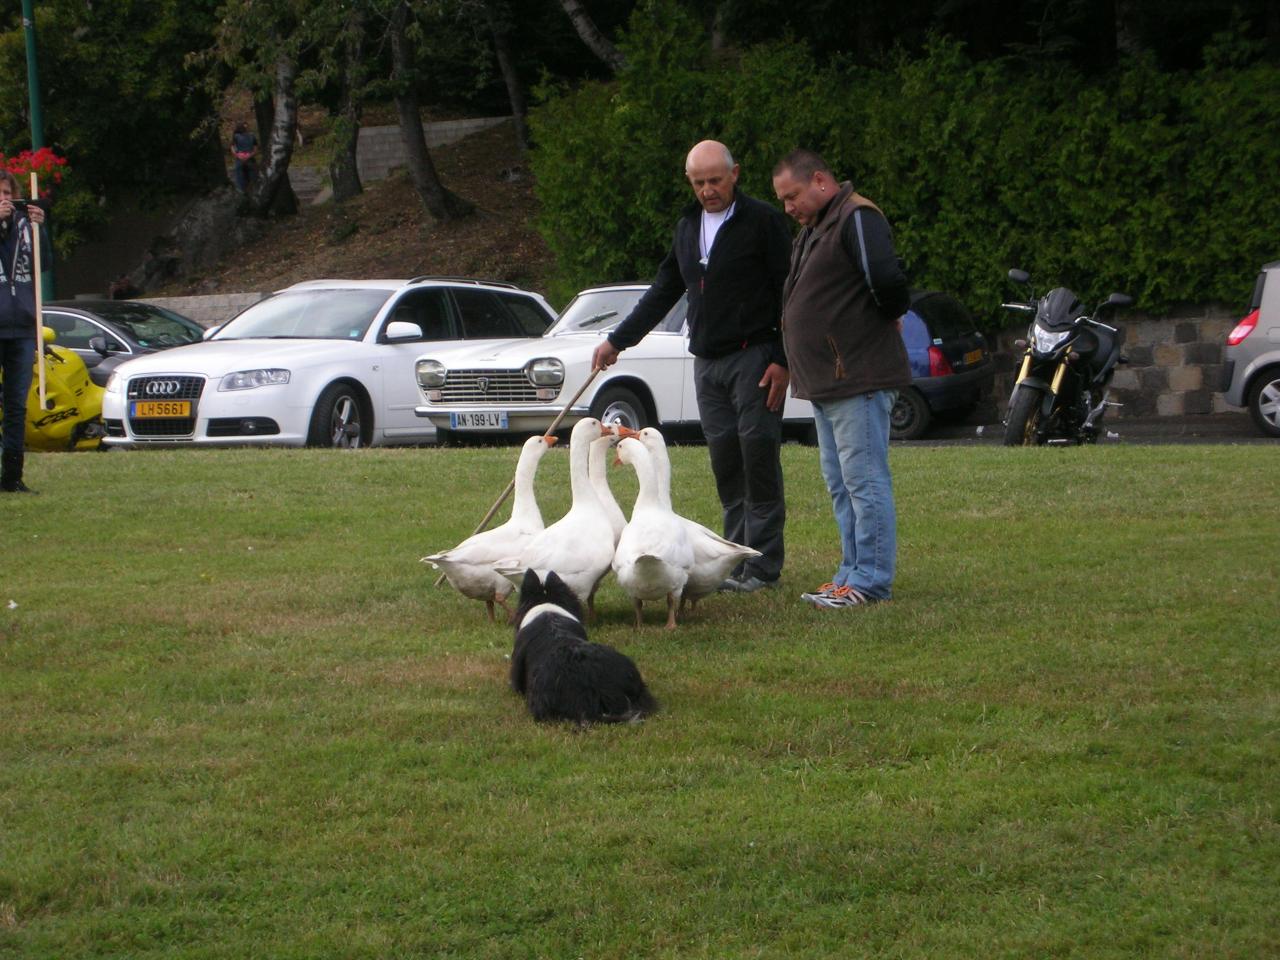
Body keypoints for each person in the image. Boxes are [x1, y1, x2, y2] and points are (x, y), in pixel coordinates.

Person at [592, 140, 792, 592]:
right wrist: (616, 341)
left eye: (715, 180)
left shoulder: (764, 221)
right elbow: (664, 289)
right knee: (725, 458)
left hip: (756, 357)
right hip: (707, 362)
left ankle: (762, 567)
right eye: (699, 183)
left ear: (735, 174)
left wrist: (782, 358)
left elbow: (789, 291)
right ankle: (731, 560)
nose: (708, 190)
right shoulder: (687, 226)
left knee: (757, 454)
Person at [771, 149, 911, 609]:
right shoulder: (815, 229)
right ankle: (849, 572)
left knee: (865, 481)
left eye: (793, 196)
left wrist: (890, 314)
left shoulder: (857, 218)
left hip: (859, 377)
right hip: (830, 382)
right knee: (842, 482)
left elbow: (888, 281)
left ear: (820, 181)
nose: (788, 207)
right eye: (783, 200)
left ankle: (870, 581)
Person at [0, 170, 47, 493]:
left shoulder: (23, 227)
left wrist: (39, 229)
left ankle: (12, 476)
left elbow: (43, 264)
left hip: (21, 327)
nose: (3, 200)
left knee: (17, 405)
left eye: (6, 193)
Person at [230, 122, 258, 193]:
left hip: (242, 159)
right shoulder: (251, 136)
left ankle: (244, 192)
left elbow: (232, 147)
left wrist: (238, 155)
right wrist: (249, 155)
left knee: (241, 178)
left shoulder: (236, 136)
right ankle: (251, 191)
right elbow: (255, 149)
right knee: (251, 177)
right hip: (248, 159)